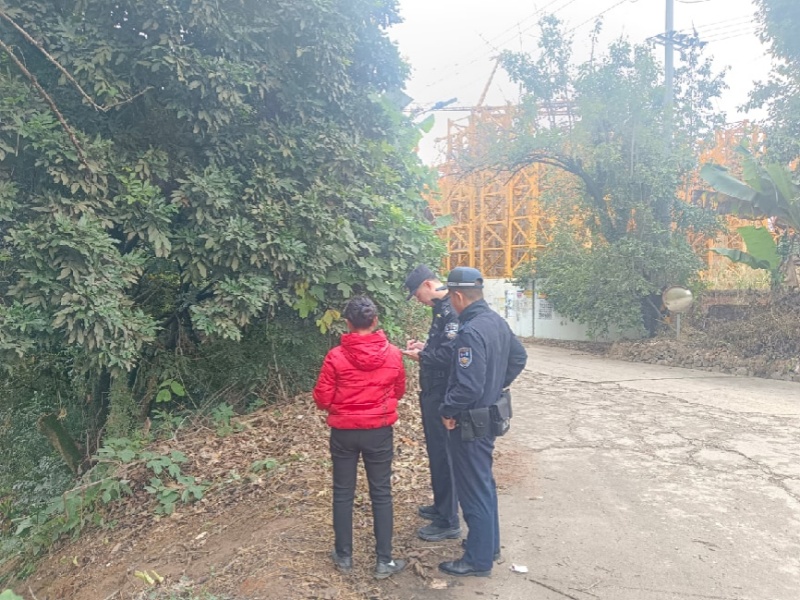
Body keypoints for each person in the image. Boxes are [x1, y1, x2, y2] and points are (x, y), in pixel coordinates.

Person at [436, 267, 528, 577]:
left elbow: (468, 387)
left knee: (473, 490)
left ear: (458, 296)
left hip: (469, 423)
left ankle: (477, 560)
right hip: (487, 417)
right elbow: (519, 357)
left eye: (450, 298)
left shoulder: (470, 331)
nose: (451, 303)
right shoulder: (496, 322)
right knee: (484, 484)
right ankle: (488, 546)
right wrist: (496, 384)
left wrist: (447, 410)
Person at [313, 296, 407, 580]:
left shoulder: (335, 356)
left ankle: (344, 556)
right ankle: (384, 560)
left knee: (343, 492)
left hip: (344, 432)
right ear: (375, 321)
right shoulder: (393, 354)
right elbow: (399, 390)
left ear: (347, 323)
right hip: (379, 431)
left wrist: (343, 406)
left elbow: (322, 399)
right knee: (381, 492)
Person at [402, 265, 461, 542]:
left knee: (444, 455)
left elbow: (450, 355)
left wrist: (422, 357)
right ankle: (441, 506)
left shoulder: (451, 310)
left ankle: (449, 520)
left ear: (427, 284)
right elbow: (441, 348)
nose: (418, 300)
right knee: (436, 453)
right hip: (432, 391)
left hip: (441, 393)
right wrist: (424, 349)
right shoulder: (440, 309)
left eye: (417, 294)